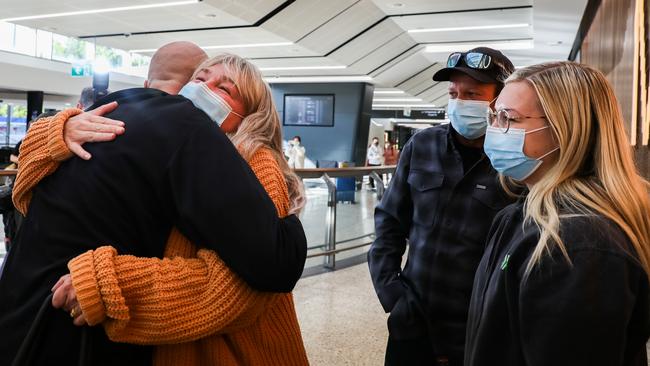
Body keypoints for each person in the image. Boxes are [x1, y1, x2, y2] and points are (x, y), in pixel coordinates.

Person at [0, 43, 307, 365]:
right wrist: (57, 130)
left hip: (229, 349)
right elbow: (28, 191)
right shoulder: (165, 136)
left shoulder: (256, 161)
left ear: (251, 114)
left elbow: (248, 283)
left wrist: (107, 282)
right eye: (200, 79)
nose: (204, 90)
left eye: (224, 89)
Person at [465, 61, 650, 366]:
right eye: (494, 117)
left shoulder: (580, 246)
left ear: (566, 130)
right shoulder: (520, 215)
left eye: (509, 119)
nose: (495, 130)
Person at [368, 47, 516, 366]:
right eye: (453, 92)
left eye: (472, 93)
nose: (459, 101)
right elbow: (389, 225)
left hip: (476, 333)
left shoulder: (513, 161)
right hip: (412, 323)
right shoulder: (421, 146)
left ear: (500, 99)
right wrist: (393, 295)